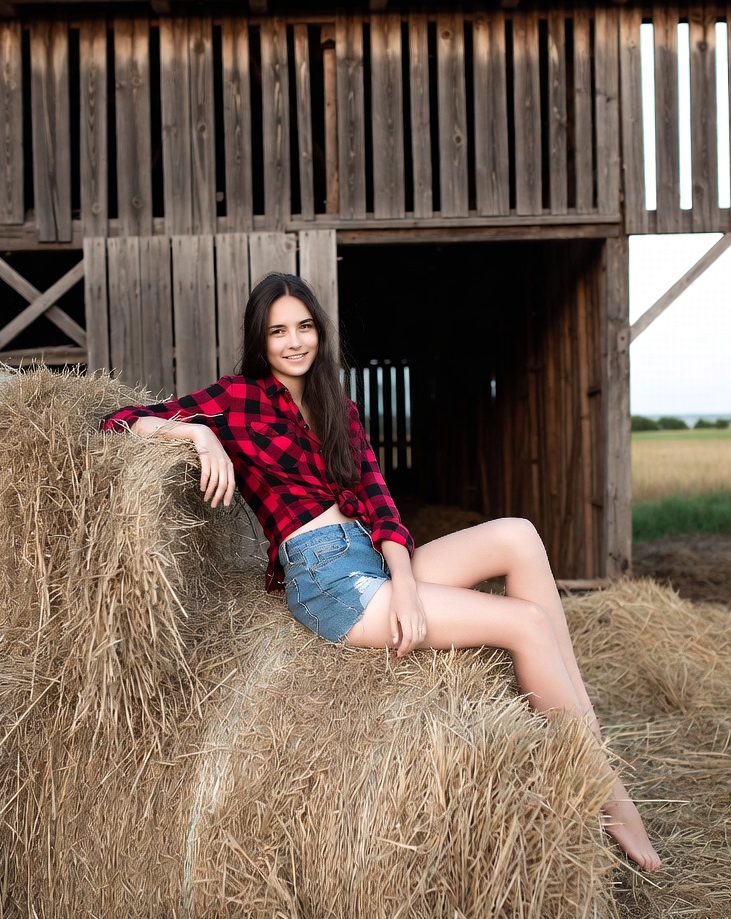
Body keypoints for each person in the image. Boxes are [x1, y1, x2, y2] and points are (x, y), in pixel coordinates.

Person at [101, 272, 662, 873]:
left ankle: (593, 750)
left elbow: (381, 503)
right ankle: (609, 798)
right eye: (278, 331)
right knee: (524, 624)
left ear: (320, 332)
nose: (294, 342)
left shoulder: (339, 409)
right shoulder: (238, 399)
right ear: (259, 340)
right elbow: (119, 420)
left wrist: (409, 591)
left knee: (518, 536)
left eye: (305, 327)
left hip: (372, 559)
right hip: (326, 578)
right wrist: (197, 436)